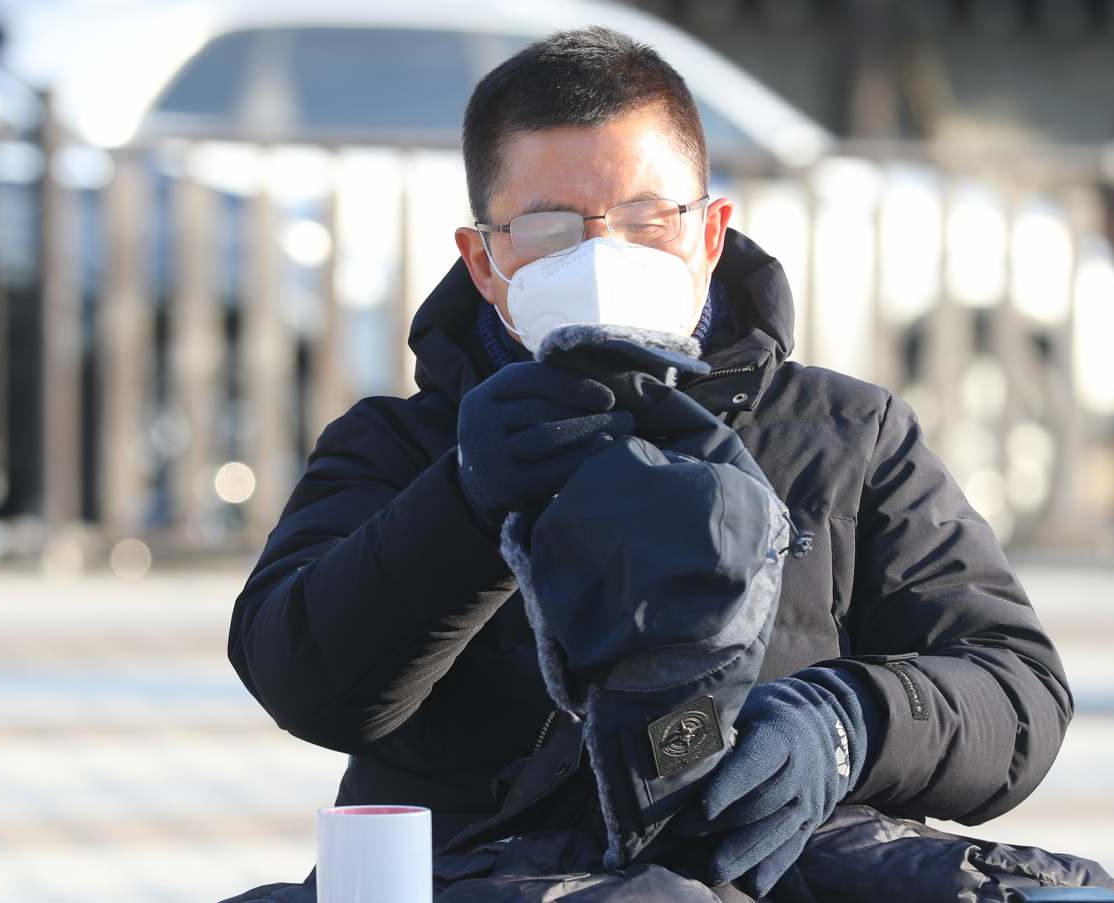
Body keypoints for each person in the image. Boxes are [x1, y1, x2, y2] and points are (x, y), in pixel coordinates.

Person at [228, 26, 1071, 900]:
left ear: (710, 233)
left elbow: (1018, 692)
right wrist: (465, 502)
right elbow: (299, 679)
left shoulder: (844, 434)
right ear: (484, 260)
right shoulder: (401, 447)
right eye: (551, 229)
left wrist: (847, 723)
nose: (604, 257)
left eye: (647, 219)